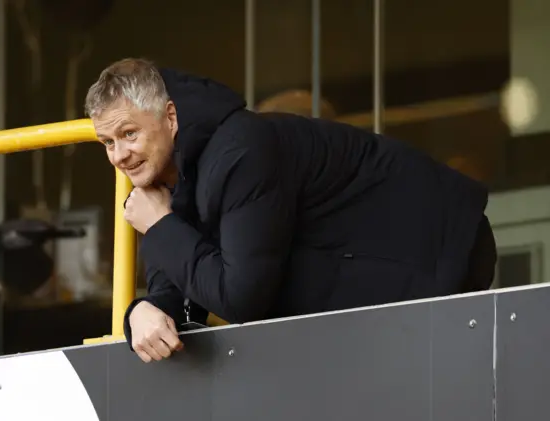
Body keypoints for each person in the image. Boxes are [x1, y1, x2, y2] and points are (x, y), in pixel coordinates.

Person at [84, 58, 496, 363]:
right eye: (108, 142)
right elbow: (175, 283)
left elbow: (241, 299)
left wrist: (161, 227)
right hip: (374, 282)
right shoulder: (162, 176)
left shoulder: (240, 152)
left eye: (129, 133)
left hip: (437, 253)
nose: (120, 155)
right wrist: (140, 312)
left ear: (169, 117)